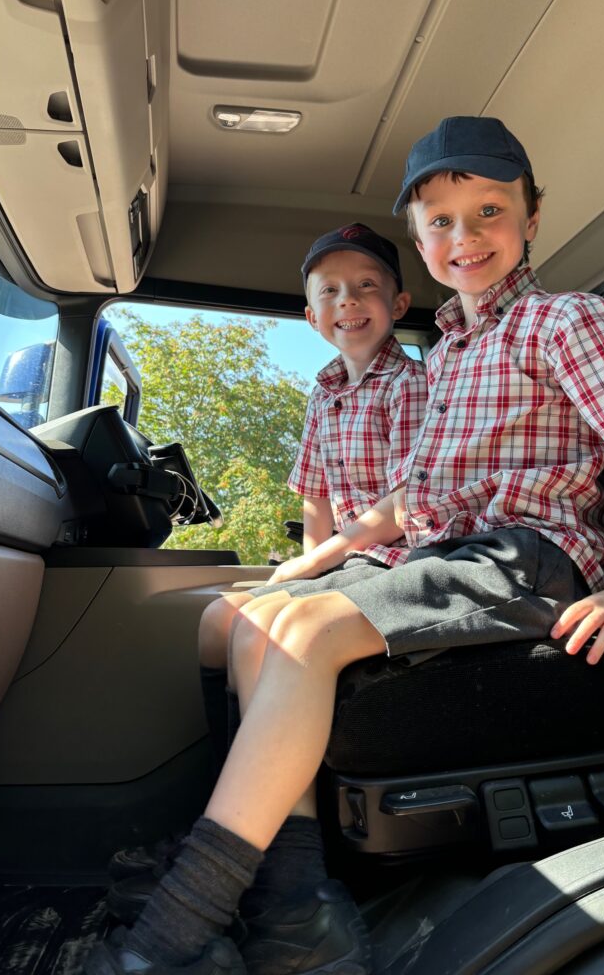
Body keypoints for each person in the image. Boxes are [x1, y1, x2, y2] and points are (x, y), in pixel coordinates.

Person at [87, 117, 604, 975]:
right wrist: (314, 560)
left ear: (533, 216)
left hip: (529, 553)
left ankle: (180, 933)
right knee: (248, 623)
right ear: (419, 236)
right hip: (446, 555)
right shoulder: (444, 357)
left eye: (488, 211)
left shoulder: (565, 320)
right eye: (440, 222)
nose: (465, 237)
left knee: (306, 631)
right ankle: (295, 912)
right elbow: (412, 501)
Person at [99, 224, 428, 945]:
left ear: (400, 301)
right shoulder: (324, 393)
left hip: (405, 559)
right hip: (352, 560)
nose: (350, 303)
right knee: (219, 620)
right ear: (311, 318)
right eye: (330, 293)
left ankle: (275, 872)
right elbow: (314, 497)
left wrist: (318, 569)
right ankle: (242, 829)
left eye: (367, 286)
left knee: (266, 619)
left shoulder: (416, 383)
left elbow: (414, 499)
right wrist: (315, 564)